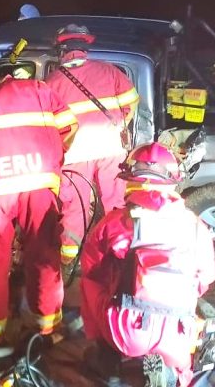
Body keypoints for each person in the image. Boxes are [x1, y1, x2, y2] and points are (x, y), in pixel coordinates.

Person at [79, 142, 215, 386]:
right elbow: (204, 280)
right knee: (183, 373)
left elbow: (93, 270)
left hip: (127, 330)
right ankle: (176, 375)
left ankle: (106, 354)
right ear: (172, 181)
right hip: (178, 332)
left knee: (92, 284)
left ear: (130, 180)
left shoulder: (116, 222)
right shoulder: (195, 226)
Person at [0, 76, 79, 345]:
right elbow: (70, 125)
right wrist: (53, 155)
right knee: (44, 250)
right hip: (40, 180)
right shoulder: (41, 91)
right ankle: (46, 327)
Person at [44, 24, 139, 264]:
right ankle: (119, 251)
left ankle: (69, 255)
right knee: (115, 201)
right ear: (85, 49)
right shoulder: (109, 71)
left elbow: (48, 124)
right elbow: (132, 102)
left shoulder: (52, 81)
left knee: (75, 203)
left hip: (75, 153)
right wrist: (119, 124)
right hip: (110, 149)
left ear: (62, 50)